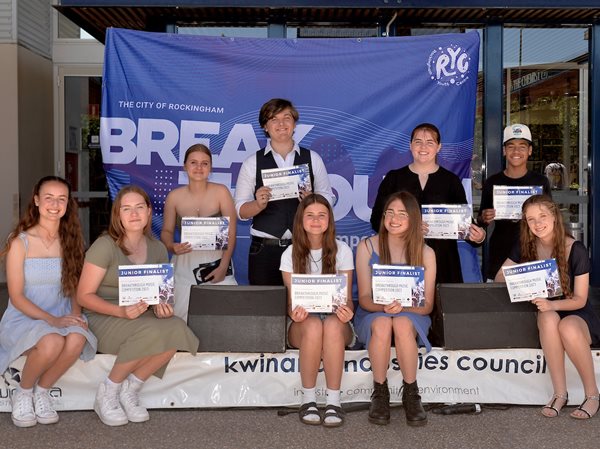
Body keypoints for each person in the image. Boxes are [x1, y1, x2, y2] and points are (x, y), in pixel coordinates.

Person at [77, 185, 199, 427]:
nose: (134, 214)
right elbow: (83, 296)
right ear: (118, 215)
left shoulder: (157, 248)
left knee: (176, 327)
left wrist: (161, 308)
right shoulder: (104, 246)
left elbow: (160, 295)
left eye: (139, 207)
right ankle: (108, 391)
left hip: (139, 314)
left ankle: (131, 389)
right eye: (126, 209)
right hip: (103, 314)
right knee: (150, 331)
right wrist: (120, 311)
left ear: (149, 211)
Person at [0, 176, 97, 427]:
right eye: (49, 198)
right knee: (53, 340)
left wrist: (76, 315)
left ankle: (42, 391)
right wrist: (53, 320)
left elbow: (75, 286)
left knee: (76, 337)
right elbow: (16, 297)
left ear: (68, 204)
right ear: (36, 201)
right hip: (25, 317)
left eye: (61, 199)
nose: (55, 204)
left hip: (63, 311)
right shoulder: (18, 242)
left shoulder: (72, 241)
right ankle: (23, 392)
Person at [495, 194, 600, 420]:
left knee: (568, 327)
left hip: (576, 311)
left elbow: (580, 299)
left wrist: (552, 303)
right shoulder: (525, 245)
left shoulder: (576, 248)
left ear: (554, 216)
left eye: (542, 216)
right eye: (530, 219)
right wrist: (524, 279)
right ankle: (560, 393)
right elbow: (499, 278)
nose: (537, 223)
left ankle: (592, 395)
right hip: (546, 309)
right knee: (547, 318)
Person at [356, 191, 436, 426]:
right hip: (374, 311)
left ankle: (411, 392)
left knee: (401, 322)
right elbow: (363, 298)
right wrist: (384, 307)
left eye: (402, 213)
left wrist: (404, 307)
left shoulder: (426, 252)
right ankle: (380, 392)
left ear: (413, 219)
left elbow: (427, 304)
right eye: (389, 212)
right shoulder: (367, 247)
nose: (394, 218)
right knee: (382, 322)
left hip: (412, 313)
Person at [370, 122, 485, 285]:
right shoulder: (394, 178)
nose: (423, 147)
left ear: (439, 147)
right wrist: (409, 227)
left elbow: (464, 225)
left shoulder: (451, 181)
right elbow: (376, 221)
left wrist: (479, 237)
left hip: (443, 263)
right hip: (402, 259)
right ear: (410, 145)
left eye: (430, 142)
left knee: (440, 308)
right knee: (403, 308)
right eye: (418, 141)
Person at [235, 98, 334, 285]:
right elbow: (239, 210)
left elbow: (328, 198)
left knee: (303, 309)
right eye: (273, 119)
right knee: (264, 310)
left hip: (304, 247)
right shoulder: (252, 162)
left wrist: (314, 200)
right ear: (265, 126)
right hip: (264, 250)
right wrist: (257, 204)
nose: (281, 124)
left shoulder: (313, 159)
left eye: (286, 117)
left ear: (294, 124)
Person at [280, 194, 354, 427]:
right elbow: (291, 303)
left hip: (335, 321)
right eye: (309, 215)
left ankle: (334, 401)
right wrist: (294, 313)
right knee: (312, 325)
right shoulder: (289, 254)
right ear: (300, 220)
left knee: (331, 324)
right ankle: (308, 399)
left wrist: (347, 312)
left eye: (321, 215)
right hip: (303, 323)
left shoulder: (342, 250)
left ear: (329, 220)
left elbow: (348, 300)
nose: (315, 220)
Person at [161, 144, 237, 321]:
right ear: (185, 166)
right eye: (193, 162)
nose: (199, 168)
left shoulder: (221, 192)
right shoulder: (174, 196)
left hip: (217, 261)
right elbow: (166, 230)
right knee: (182, 315)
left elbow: (231, 232)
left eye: (205, 163)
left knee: (226, 315)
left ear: (210, 167)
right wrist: (171, 246)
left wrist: (224, 265)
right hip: (185, 262)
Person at [478, 124, 551, 280]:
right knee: (497, 301)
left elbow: (551, 220)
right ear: (504, 151)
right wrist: (484, 217)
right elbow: (480, 221)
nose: (516, 152)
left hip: (534, 252)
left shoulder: (540, 182)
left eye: (522, 146)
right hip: (500, 253)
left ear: (530, 150)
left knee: (532, 303)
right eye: (511, 146)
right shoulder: (492, 182)